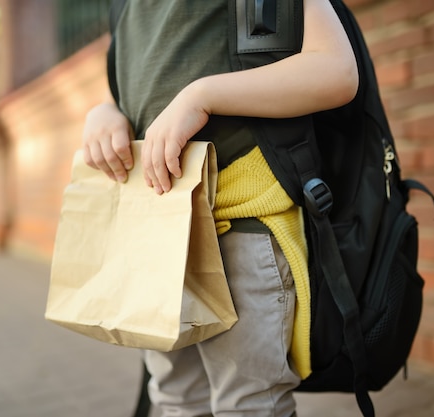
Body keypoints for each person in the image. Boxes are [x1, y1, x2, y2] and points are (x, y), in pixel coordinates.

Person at [82, 1, 358, 415]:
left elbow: (335, 68)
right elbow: (133, 88)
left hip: (242, 223)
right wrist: (103, 112)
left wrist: (203, 95)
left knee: (248, 403)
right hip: (158, 230)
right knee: (175, 397)